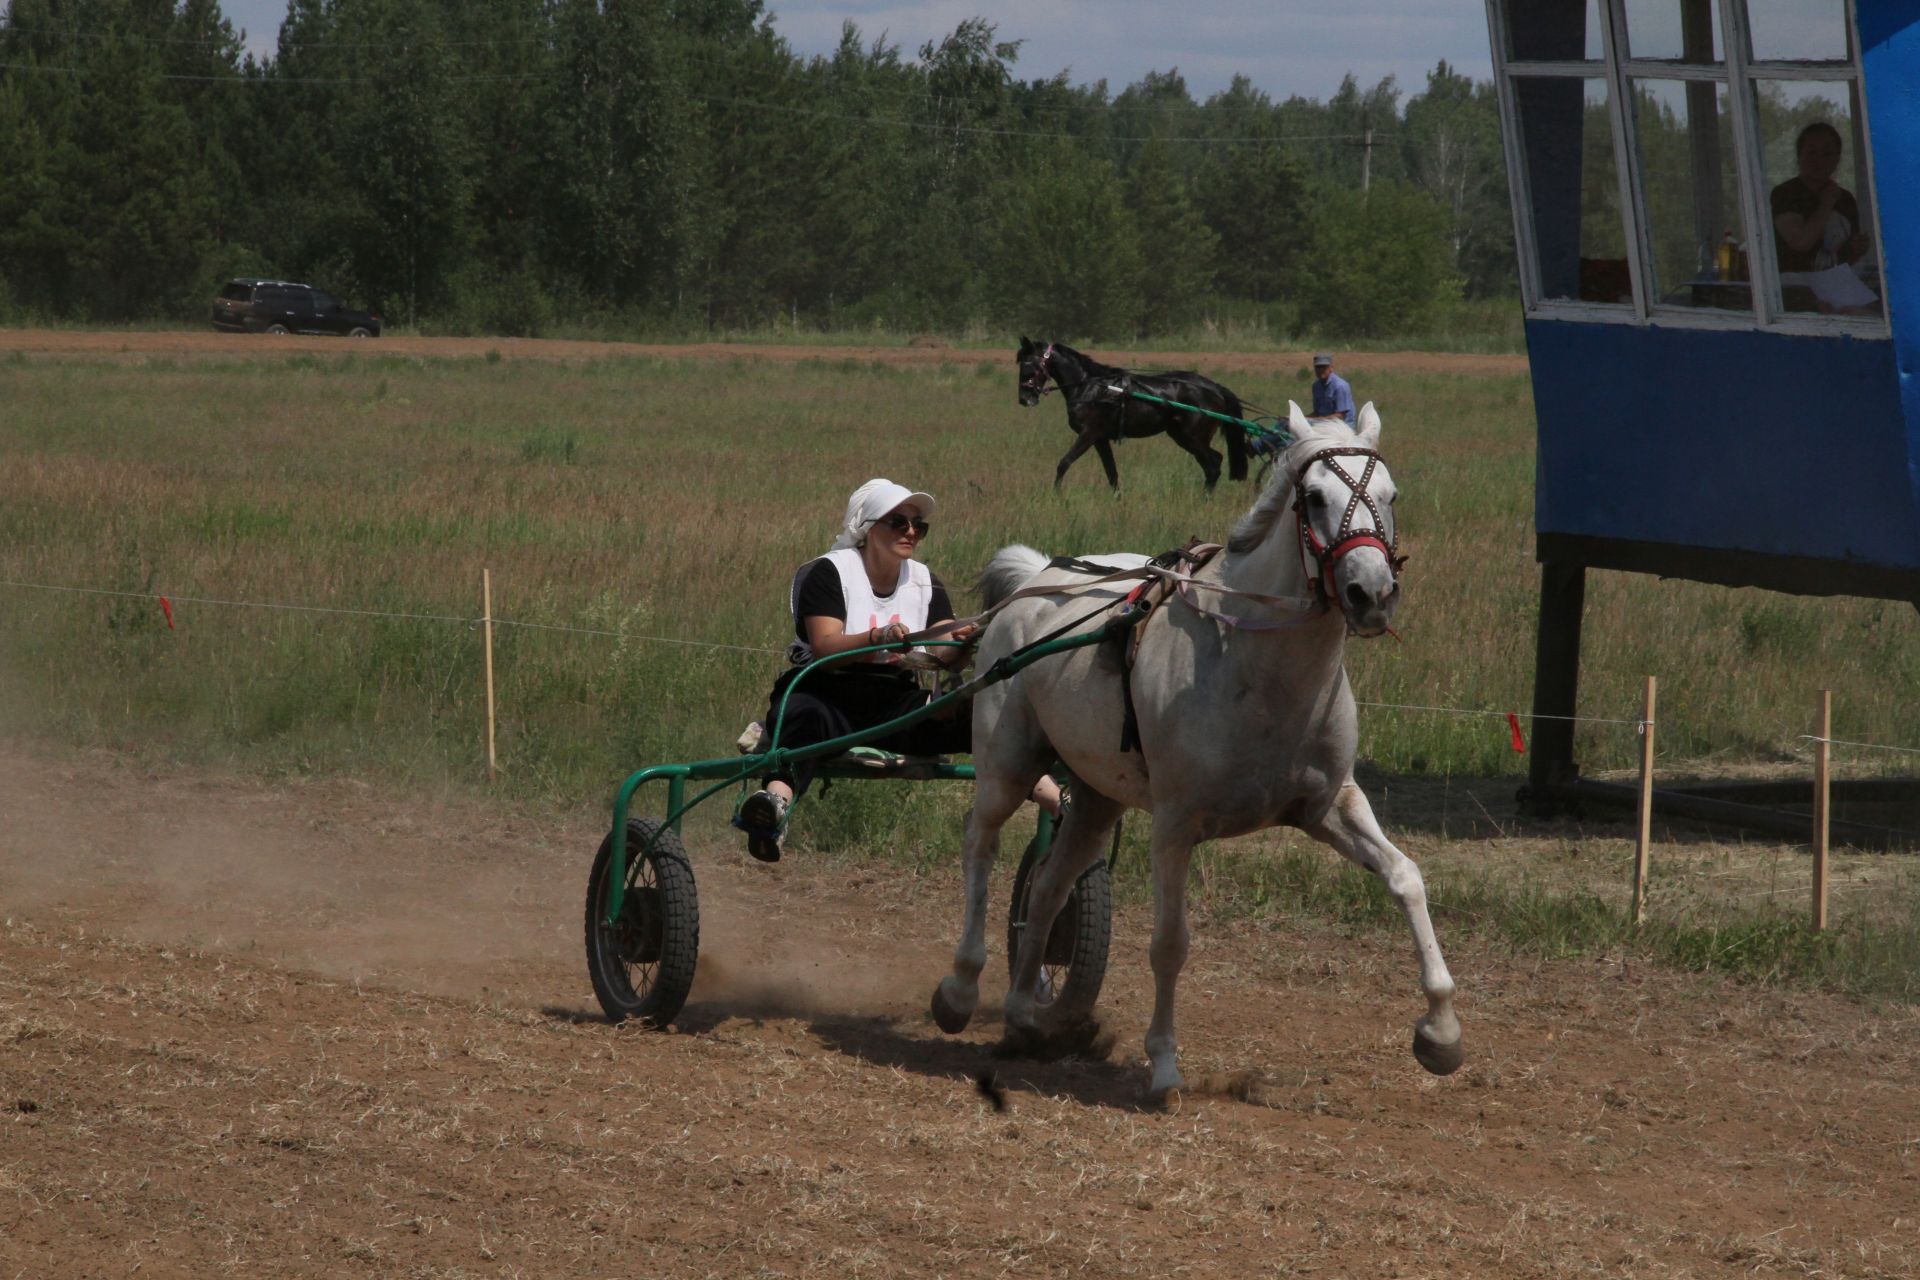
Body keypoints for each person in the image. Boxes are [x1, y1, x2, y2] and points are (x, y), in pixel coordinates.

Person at [736, 478, 1061, 862]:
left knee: (986, 715)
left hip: (896, 700)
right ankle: (774, 808)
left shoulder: (924, 582)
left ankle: (1060, 806)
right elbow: (825, 646)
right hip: (826, 692)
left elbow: (942, 651)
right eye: (899, 522)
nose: (911, 532)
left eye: (918, 526)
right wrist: (878, 636)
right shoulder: (830, 573)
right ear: (868, 527)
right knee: (802, 718)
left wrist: (965, 644)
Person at [1770, 122, 1872, 311]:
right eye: (1812, 153)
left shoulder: (1846, 199)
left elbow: (1843, 258)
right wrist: (1826, 202)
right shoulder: (1785, 194)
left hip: (1837, 285)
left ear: (1837, 159)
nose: (1820, 161)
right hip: (1794, 290)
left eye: (1827, 154)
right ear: (1799, 157)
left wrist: (1857, 249)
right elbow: (1800, 242)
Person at [1309, 353, 1355, 425]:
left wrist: (1319, 420)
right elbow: (1317, 413)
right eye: (1318, 367)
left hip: (1343, 427)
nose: (1320, 370)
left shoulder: (1340, 386)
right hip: (1324, 424)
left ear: (1331, 368)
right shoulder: (1316, 386)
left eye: (1324, 367)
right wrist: (1300, 418)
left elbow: (1341, 415)